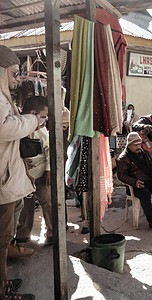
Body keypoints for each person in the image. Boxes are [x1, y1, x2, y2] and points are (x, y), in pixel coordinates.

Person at [0, 44, 38, 300]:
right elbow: (3, 128)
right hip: (2, 182)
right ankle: (3, 292)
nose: (16, 80)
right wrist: (35, 121)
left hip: (5, 178)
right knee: (2, 240)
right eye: (13, 73)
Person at [16, 96, 53, 246]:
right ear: (33, 113)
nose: (45, 120)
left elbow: (50, 150)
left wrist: (49, 170)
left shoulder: (42, 130)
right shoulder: (17, 127)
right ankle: (23, 233)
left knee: (48, 202)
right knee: (25, 205)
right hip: (24, 175)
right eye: (43, 116)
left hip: (42, 174)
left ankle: (51, 232)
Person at [116, 132, 152, 231]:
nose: (138, 147)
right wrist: (134, 182)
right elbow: (121, 176)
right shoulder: (123, 158)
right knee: (145, 194)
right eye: (135, 145)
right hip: (135, 185)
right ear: (129, 145)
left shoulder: (144, 153)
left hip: (148, 180)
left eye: (139, 144)